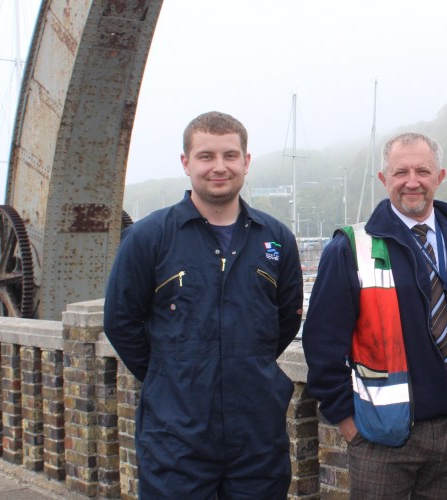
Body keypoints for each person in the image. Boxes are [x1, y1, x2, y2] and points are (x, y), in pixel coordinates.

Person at [103, 111, 303, 498]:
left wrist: (244, 363)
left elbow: (286, 319)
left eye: (230, 155)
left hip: (257, 433)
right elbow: (120, 322)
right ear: (186, 162)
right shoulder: (148, 237)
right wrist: (170, 374)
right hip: (175, 435)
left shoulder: (276, 238)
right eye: (206, 156)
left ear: (246, 161)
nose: (219, 167)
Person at [303, 132, 447, 499]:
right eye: (401, 172)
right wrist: (349, 424)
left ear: (439, 177)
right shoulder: (350, 248)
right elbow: (321, 345)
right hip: (380, 440)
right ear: (384, 179)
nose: (412, 182)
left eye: (422, 171)